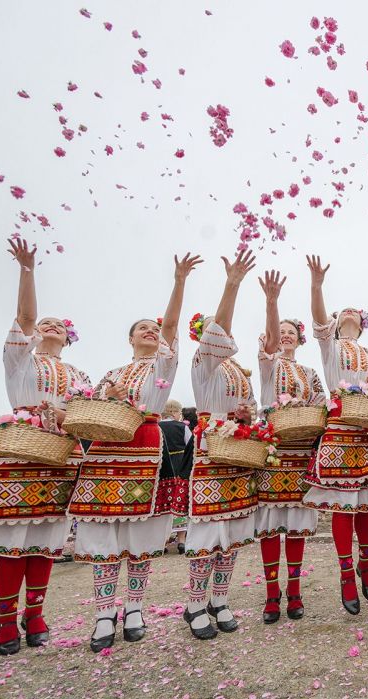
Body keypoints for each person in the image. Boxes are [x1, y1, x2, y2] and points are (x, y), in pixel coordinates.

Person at [0, 238, 91, 655]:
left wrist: (67, 418)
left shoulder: (78, 373)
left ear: (69, 337)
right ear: (33, 335)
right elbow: (25, 314)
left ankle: (34, 614)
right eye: (44, 324)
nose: (50, 326)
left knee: (45, 538)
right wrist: (27, 270)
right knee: (12, 538)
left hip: (60, 455)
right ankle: (4, 623)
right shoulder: (21, 360)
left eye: (59, 324)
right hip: (19, 451)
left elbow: (86, 414)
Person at [69, 253, 201, 651]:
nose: (149, 331)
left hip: (145, 445)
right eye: (141, 328)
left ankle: (136, 609)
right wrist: (105, 397)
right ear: (129, 338)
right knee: (106, 536)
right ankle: (104, 614)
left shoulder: (164, 363)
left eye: (153, 328)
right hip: (106, 451)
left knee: (140, 534)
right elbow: (90, 409)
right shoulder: (111, 373)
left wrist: (178, 280)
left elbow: (173, 325)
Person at [302, 255, 368, 616]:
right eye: (344, 312)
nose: (349, 314)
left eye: (356, 311)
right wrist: (317, 285)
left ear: (363, 324)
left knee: (366, 503)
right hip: (339, 429)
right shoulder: (331, 347)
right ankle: (345, 574)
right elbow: (319, 322)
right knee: (343, 503)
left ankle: (365, 563)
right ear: (338, 323)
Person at [183, 251, 259, 640]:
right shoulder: (203, 362)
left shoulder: (239, 372)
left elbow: (252, 411)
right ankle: (194, 603)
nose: (222, 334)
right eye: (214, 331)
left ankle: (219, 597)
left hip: (239, 454)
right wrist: (232, 284)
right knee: (208, 529)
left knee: (231, 530)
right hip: (213, 452)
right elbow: (220, 325)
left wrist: (247, 416)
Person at [254, 270, 326, 624]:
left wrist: (307, 409)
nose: (284, 336)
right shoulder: (268, 365)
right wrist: (272, 302)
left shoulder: (310, 372)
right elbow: (268, 344)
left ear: (299, 339)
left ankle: (294, 591)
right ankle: (271, 595)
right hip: (273, 450)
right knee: (270, 525)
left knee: (295, 525)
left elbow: (322, 402)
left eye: (290, 332)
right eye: (279, 332)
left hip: (301, 449)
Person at [160, 400, 194, 555]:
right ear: (175, 411)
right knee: (178, 501)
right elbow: (190, 445)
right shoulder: (183, 427)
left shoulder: (157, 426)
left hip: (162, 467)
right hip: (180, 465)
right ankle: (181, 541)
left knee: (163, 501)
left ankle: (162, 541)